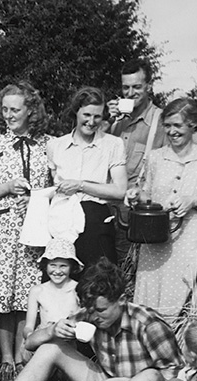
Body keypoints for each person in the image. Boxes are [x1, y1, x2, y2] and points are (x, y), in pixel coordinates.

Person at [0, 258, 181, 381]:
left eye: (101, 310)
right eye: (89, 310)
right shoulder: (88, 315)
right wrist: (52, 330)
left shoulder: (148, 324)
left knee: (151, 377)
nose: (94, 317)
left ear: (122, 301)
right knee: (51, 347)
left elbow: (175, 377)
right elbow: (30, 344)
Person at [0, 81, 53, 377]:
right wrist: (7, 187)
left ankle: (22, 354)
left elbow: (57, 187)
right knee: (2, 295)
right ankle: (6, 357)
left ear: (31, 110)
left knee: (26, 293)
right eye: (4, 109)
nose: (9, 115)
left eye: (15, 109)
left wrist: (39, 199)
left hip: (35, 230)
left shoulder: (47, 144)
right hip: (2, 229)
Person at [130, 98, 197, 320]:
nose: (172, 131)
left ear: (192, 125)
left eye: (178, 125)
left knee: (177, 300)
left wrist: (195, 200)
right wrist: (136, 195)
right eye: (167, 125)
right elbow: (146, 192)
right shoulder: (155, 158)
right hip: (154, 237)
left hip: (189, 238)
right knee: (147, 297)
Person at [47, 87, 127, 269]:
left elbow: (120, 190)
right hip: (62, 224)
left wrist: (80, 185)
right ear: (76, 111)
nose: (92, 122)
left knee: (99, 284)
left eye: (97, 116)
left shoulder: (113, 144)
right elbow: (53, 188)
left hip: (96, 221)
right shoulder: (55, 146)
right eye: (87, 115)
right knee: (63, 285)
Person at [106, 59, 167, 263]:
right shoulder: (115, 120)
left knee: (130, 277)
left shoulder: (163, 121)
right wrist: (105, 121)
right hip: (105, 211)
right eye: (125, 87)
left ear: (149, 86)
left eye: (136, 87)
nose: (130, 93)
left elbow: (196, 149)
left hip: (137, 215)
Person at [22, 238, 83, 341]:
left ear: (71, 266)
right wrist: (30, 337)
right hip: (44, 340)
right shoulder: (37, 291)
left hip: (70, 340)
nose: (57, 271)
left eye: (63, 266)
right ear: (46, 265)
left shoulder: (78, 288)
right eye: (53, 265)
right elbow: (28, 327)